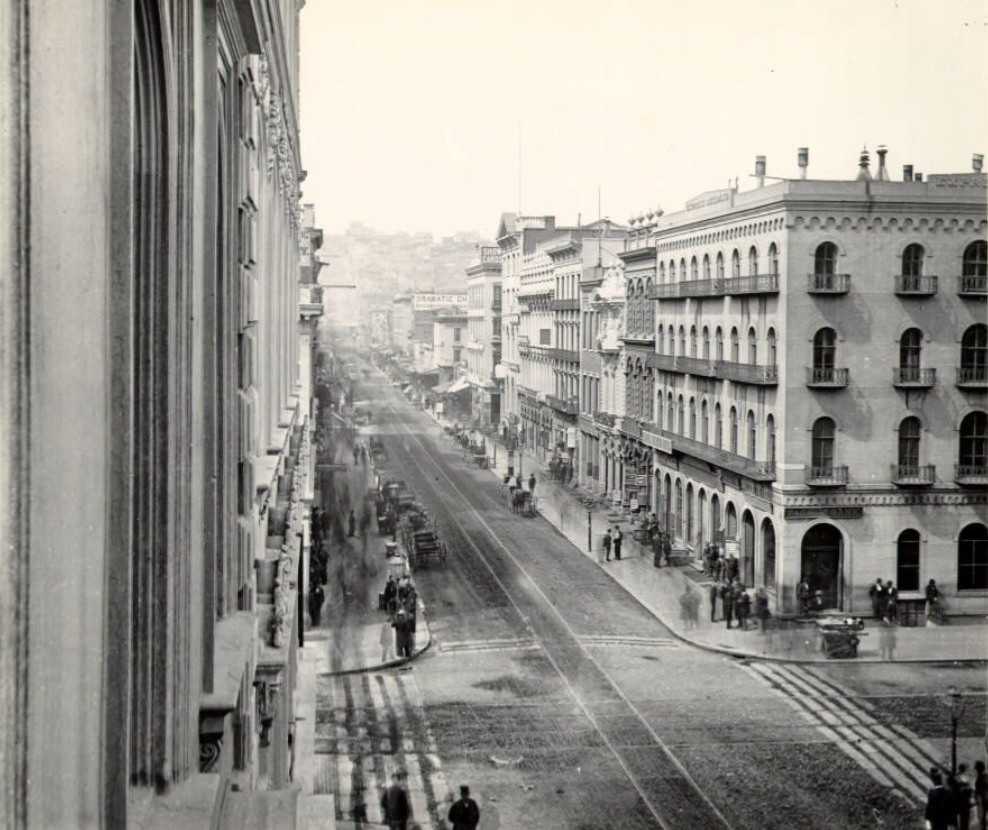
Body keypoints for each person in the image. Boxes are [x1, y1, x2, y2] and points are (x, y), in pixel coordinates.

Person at [956, 763, 974, 830]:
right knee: (963, 820)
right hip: (963, 802)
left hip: (962, 802)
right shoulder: (962, 778)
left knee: (963, 820)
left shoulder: (960, 777)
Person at [974, 760, 986, 830]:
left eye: (977, 769)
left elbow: (978, 791)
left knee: (982, 819)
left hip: (981, 799)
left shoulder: (980, 778)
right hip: (983, 799)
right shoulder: (985, 777)